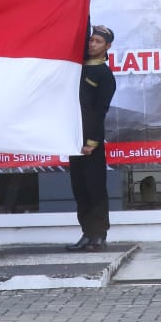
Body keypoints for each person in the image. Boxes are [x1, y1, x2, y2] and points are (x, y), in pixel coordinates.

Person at [67, 24, 117, 252]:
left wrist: (92, 142)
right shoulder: (78, 68)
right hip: (74, 138)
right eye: (91, 40)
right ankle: (87, 233)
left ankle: (99, 234)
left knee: (95, 188)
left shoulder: (104, 75)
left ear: (107, 46)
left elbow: (100, 111)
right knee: (80, 188)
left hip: (91, 142)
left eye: (98, 41)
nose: (92, 44)